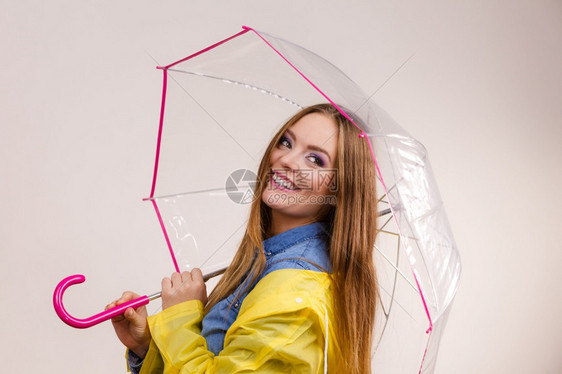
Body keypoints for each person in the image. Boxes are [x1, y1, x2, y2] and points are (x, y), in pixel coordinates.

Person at [107, 103, 379, 374]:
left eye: (315, 160)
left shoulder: (295, 294)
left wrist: (180, 317)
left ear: (341, 188)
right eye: (286, 142)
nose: (287, 160)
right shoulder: (267, 260)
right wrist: (147, 348)